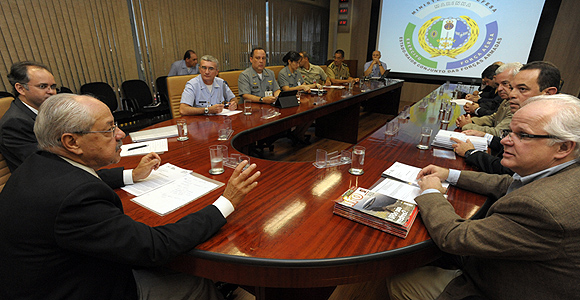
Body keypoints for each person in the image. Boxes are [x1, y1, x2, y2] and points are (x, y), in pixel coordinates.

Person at [0, 93, 261, 299]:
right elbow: (153, 247)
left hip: (54, 272)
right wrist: (226, 202)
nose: (121, 134)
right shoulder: (75, 199)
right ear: (71, 142)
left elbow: (81, 179)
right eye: (108, 129)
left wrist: (131, 176)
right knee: (194, 281)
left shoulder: (41, 164)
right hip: (77, 289)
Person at [388, 94, 580, 300]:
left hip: (500, 284)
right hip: (516, 265)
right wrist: (450, 174)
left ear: (563, 147)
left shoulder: (541, 208)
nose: (505, 141)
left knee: (400, 283)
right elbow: (508, 183)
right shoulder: (565, 171)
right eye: (510, 132)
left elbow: (453, 237)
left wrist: (431, 192)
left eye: (523, 135)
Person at [0, 61, 152, 187]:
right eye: (43, 86)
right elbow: (57, 168)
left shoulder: (47, 113)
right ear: (20, 88)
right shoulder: (15, 123)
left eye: (53, 87)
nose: (51, 92)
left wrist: (132, 174)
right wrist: (129, 175)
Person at [452, 61, 561, 175]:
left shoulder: (552, 126)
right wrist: (486, 136)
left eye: (522, 89)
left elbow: (509, 173)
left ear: (548, 93)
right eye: (512, 87)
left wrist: (471, 153)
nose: (512, 94)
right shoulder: (527, 112)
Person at [455, 62, 523, 136]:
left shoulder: (518, 104)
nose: (499, 89)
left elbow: (498, 133)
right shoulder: (507, 100)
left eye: (505, 83)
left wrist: (467, 126)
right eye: (497, 84)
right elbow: (494, 118)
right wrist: (471, 121)